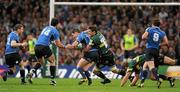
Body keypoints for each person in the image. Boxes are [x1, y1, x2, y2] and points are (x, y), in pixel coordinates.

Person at [32, 18, 65, 86]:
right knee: (53, 61)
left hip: (37, 46)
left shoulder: (46, 28)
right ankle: (52, 80)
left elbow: (45, 37)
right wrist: (65, 46)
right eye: (59, 24)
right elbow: (58, 44)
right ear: (57, 24)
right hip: (44, 46)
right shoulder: (55, 30)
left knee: (41, 62)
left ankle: (32, 71)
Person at [139, 18, 169, 88]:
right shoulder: (162, 32)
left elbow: (143, 37)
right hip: (156, 51)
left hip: (149, 49)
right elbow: (167, 42)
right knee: (145, 65)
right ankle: (142, 83)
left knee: (150, 67)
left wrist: (148, 38)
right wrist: (159, 44)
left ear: (153, 24)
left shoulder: (149, 29)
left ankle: (158, 79)